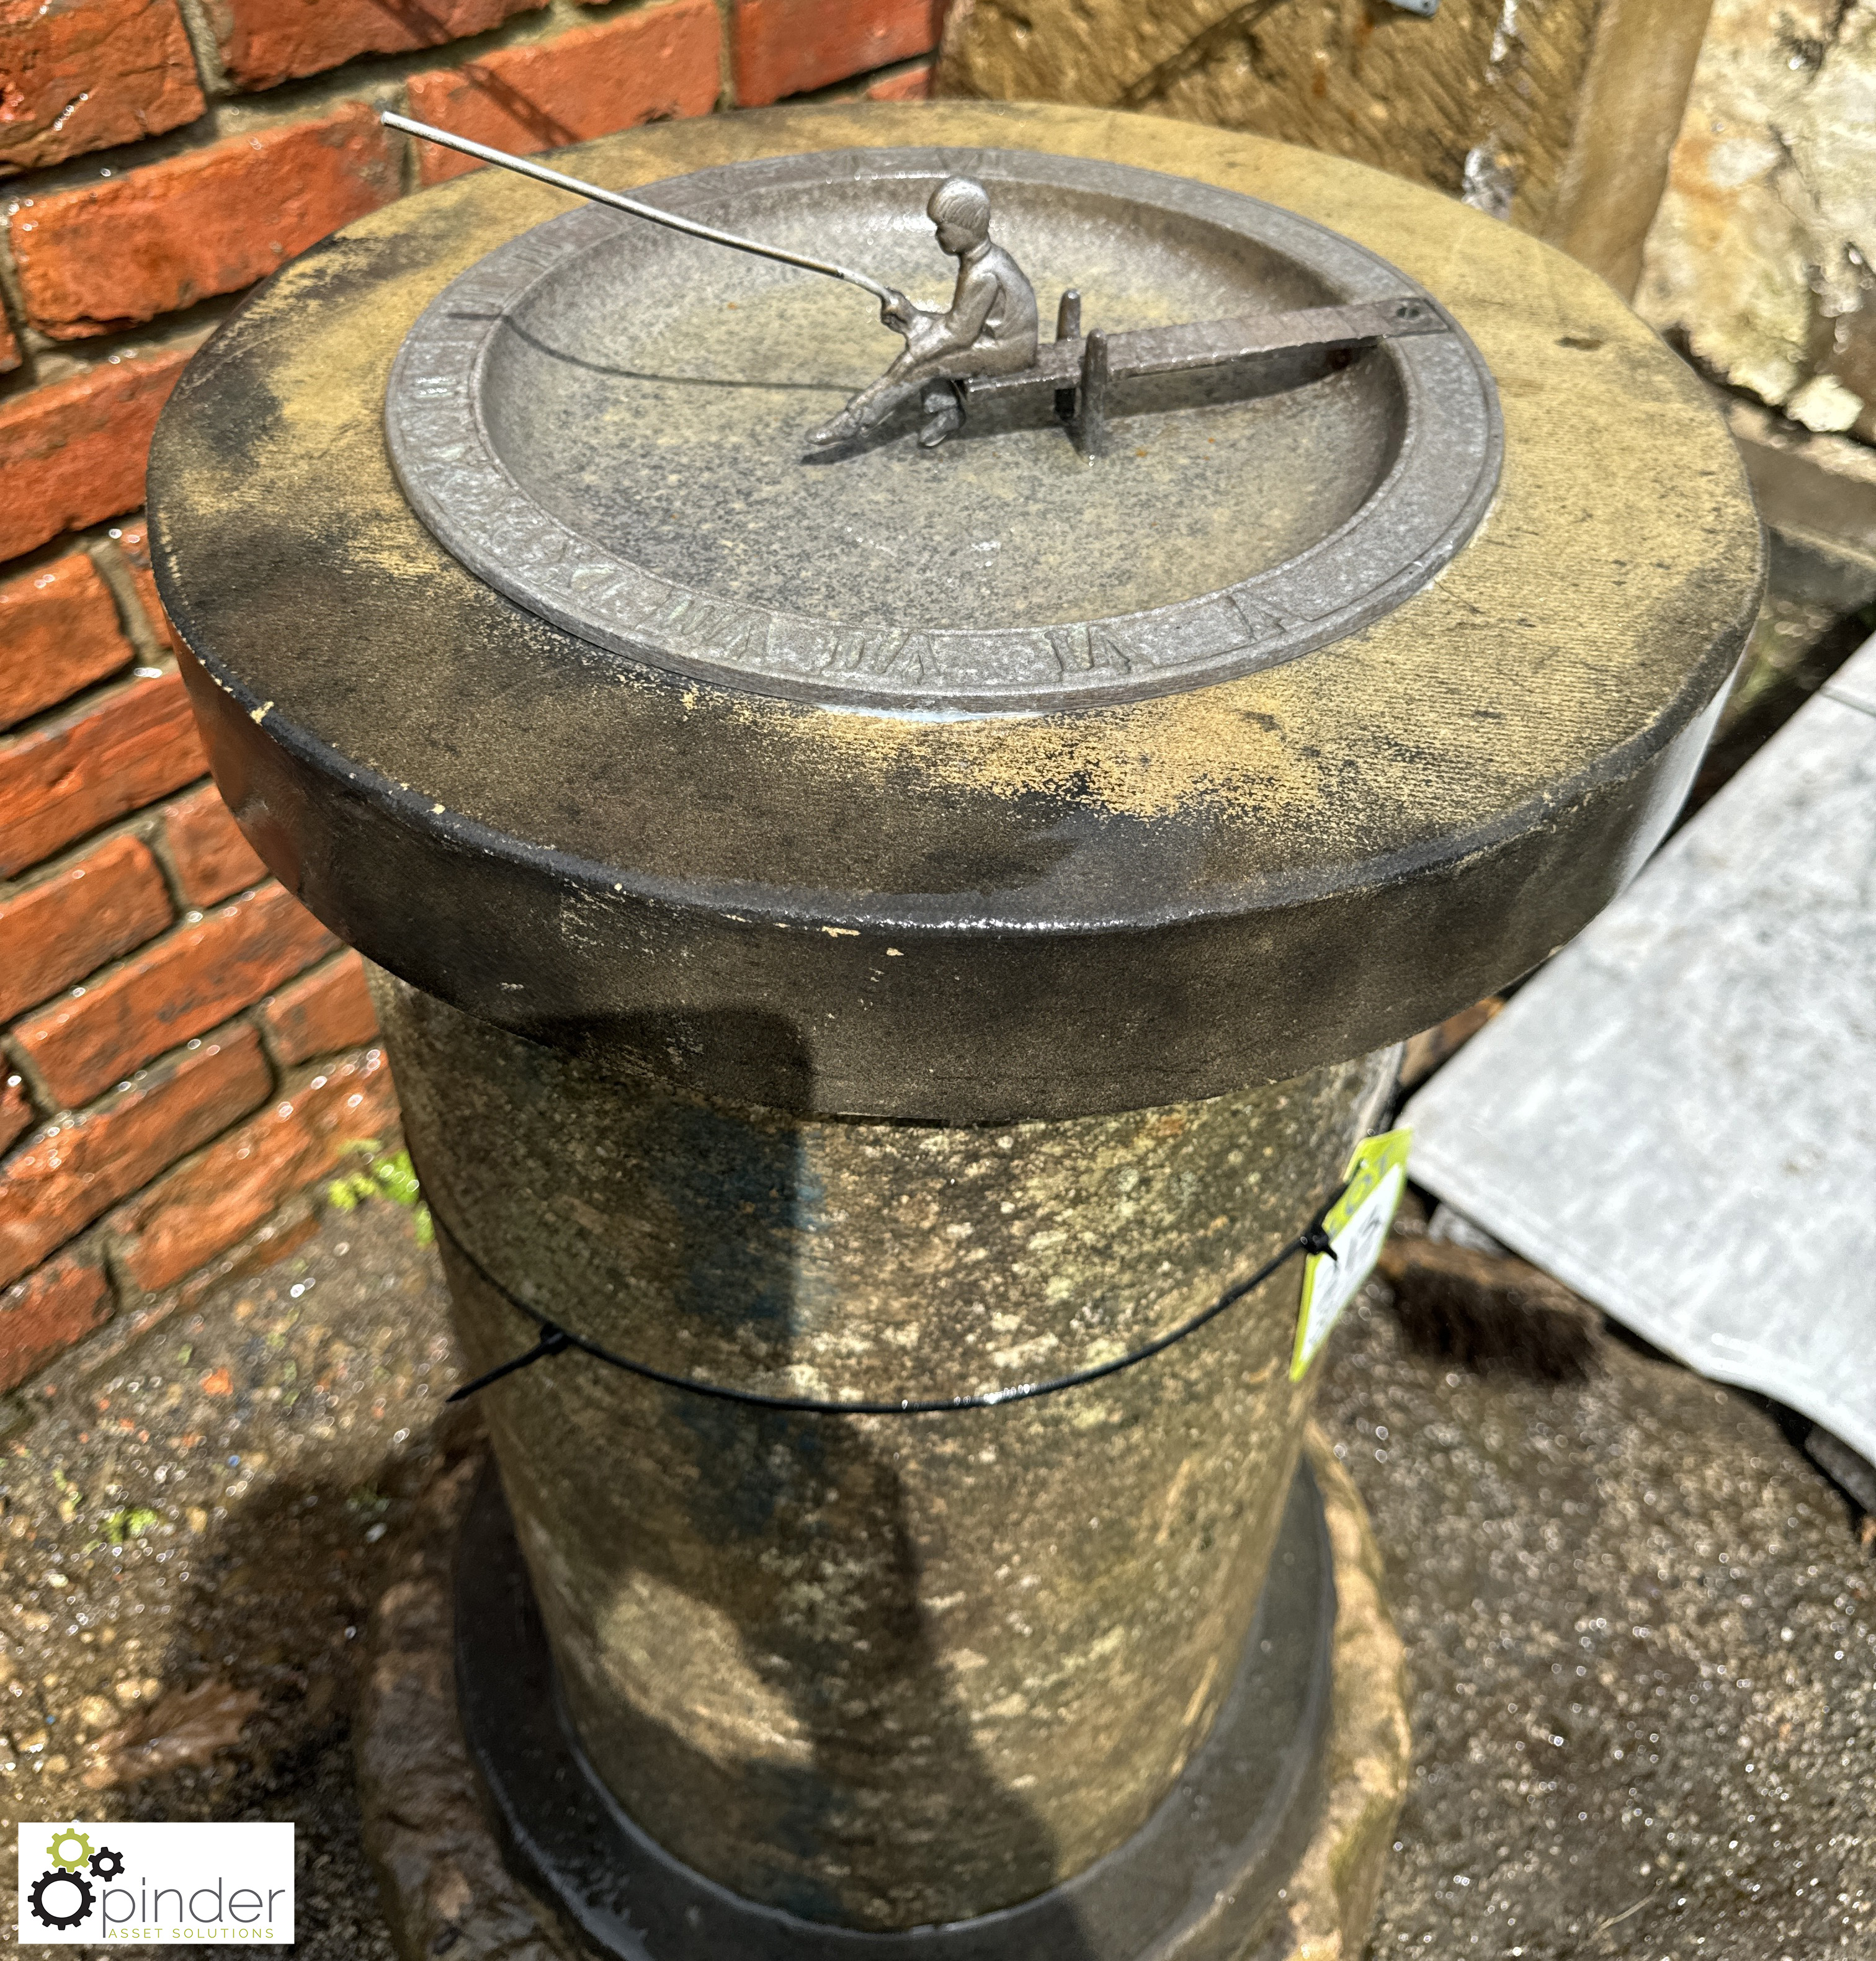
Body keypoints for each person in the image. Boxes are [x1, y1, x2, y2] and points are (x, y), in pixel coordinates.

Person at [808, 176, 1039, 449]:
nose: (937, 236)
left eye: (943, 229)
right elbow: (961, 324)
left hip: (1008, 351)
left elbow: (959, 334)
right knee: (922, 337)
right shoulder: (986, 258)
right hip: (994, 339)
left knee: (923, 363)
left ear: (968, 227)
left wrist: (913, 353)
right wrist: (913, 317)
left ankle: (855, 419)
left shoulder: (983, 274)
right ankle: (947, 411)